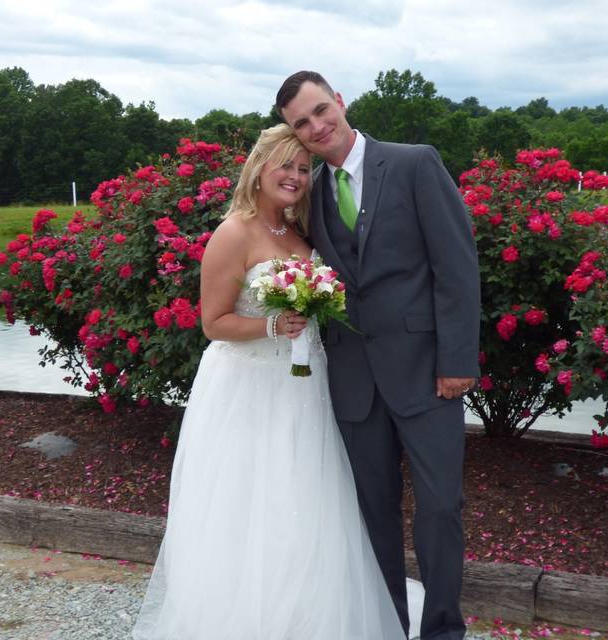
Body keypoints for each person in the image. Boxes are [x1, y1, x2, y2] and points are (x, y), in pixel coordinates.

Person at [132, 124, 407, 639]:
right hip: (246, 387)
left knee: (307, 492)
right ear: (259, 169)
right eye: (286, 165)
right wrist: (273, 325)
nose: (296, 177)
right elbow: (212, 323)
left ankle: (307, 611)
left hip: (304, 383)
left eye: (304, 169)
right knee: (249, 498)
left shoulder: (299, 234)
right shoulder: (233, 232)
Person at [276, 71, 482, 640]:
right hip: (353, 383)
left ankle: (443, 629)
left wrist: (458, 360)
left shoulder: (415, 163)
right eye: (301, 123)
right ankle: (388, 625)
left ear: (340, 102)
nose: (317, 126)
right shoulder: (309, 193)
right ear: (294, 133)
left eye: (322, 110)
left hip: (428, 375)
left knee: (441, 508)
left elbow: (456, 267)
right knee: (374, 517)